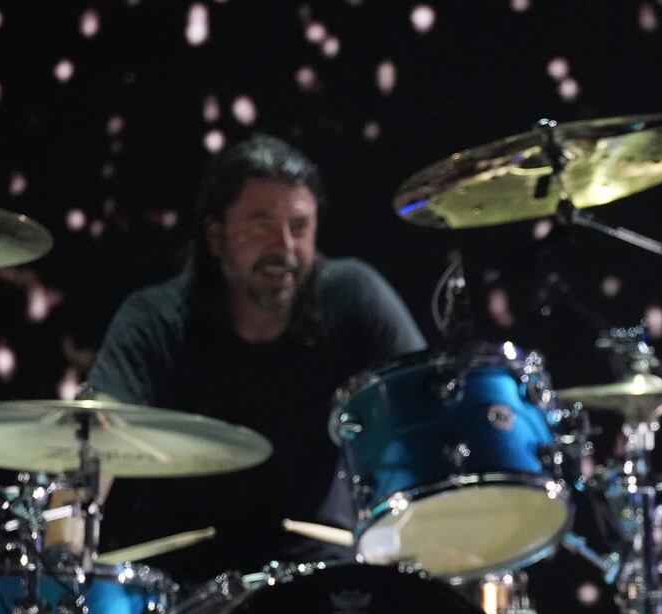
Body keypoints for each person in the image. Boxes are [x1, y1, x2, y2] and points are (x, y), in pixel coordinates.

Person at [86, 133, 426, 581]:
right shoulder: (157, 319)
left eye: (299, 227)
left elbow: (425, 407)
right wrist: (66, 546)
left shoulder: (354, 297)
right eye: (261, 224)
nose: (283, 246)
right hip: (183, 587)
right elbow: (94, 439)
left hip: (325, 578)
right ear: (216, 237)